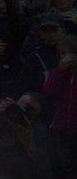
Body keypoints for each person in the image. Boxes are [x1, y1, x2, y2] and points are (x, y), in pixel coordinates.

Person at [43, 35, 77, 177]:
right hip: (60, 127)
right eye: (62, 53)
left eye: (70, 52)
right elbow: (48, 92)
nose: (66, 57)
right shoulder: (57, 73)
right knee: (61, 165)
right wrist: (61, 71)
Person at [19, 14, 65, 96]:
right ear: (40, 33)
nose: (51, 35)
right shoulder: (34, 57)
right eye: (46, 31)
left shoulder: (73, 52)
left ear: (63, 30)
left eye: (54, 30)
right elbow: (26, 86)